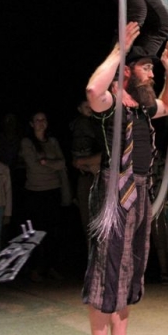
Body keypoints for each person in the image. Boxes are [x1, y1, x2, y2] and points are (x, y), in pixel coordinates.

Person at [82, 21, 168, 335]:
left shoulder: (141, 107)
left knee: (129, 268)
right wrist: (118, 50)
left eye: (153, 69)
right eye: (146, 68)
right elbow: (92, 90)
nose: (151, 74)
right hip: (114, 191)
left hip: (140, 189)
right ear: (128, 71)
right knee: (106, 271)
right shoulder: (112, 104)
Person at [19, 112, 68, 282]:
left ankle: (50, 267)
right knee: (34, 232)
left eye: (43, 119)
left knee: (53, 232)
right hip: (35, 193)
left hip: (52, 191)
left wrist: (46, 162)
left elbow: (62, 163)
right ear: (31, 124)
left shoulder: (52, 141)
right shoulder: (27, 142)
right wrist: (51, 164)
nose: (41, 122)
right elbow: (33, 166)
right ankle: (34, 268)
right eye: (37, 120)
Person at [70, 99, 102, 244]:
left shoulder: (94, 122)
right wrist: (86, 166)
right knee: (89, 219)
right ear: (79, 109)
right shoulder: (83, 123)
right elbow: (77, 159)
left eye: (91, 106)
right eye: (86, 106)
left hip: (94, 173)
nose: (89, 108)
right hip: (86, 174)